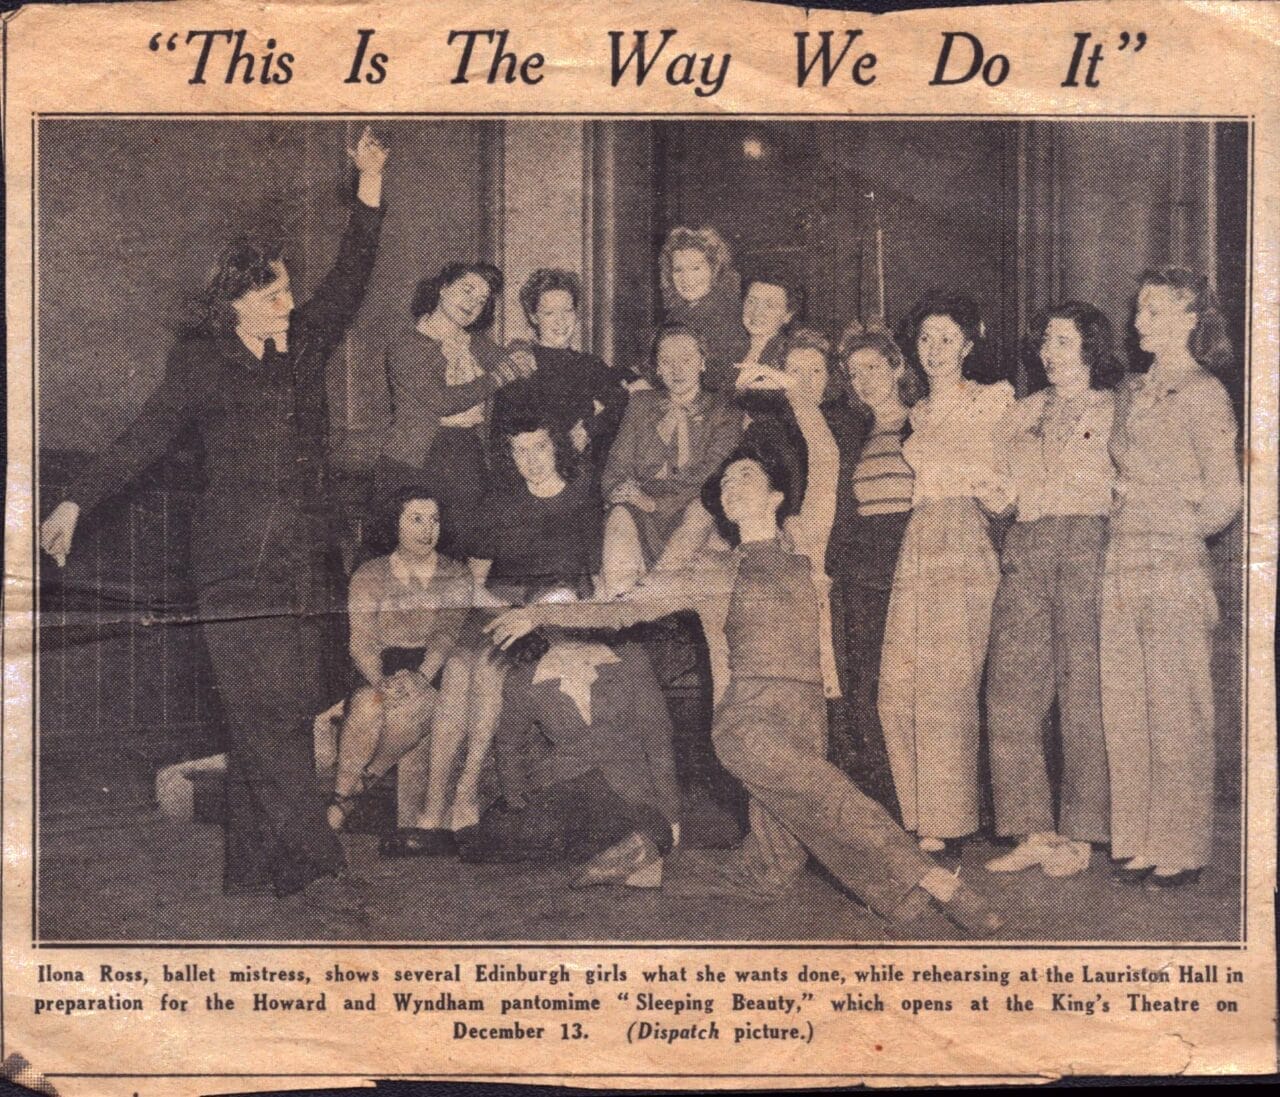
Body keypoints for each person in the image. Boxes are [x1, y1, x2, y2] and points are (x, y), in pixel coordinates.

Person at [485, 365, 1004, 936]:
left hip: (807, 715)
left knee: (770, 873)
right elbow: (621, 609)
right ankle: (934, 881)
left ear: (777, 493)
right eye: (725, 484)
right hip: (748, 719)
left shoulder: (806, 543)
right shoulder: (713, 571)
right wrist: (540, 612)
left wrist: (794, 393)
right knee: (833, 799)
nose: (732, 487)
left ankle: (648, 867)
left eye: (745, 476)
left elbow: (826, 461)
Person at [40, 128, 389, 904]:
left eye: (289, 291)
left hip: (301, 565)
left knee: (283, 715)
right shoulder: (202, 364)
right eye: (272, 295)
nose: (290, 304)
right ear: (234, 301)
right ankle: (322, 868)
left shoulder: (302, 346)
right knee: (266, 718)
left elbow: (353, 275)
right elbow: (142, 437)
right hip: (232, 573)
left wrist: (369, 184)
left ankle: (257, 867)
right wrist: (72, 499)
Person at [377, 415, 604, 859]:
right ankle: (433, 809)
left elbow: (591, 585)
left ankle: (464, 789)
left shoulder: (582, 502)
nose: (531, 460)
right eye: (519, 451)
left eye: (539, 447)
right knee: (460, 668)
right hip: (495, 608)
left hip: (554, 612)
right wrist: (504, 611)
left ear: (556, 445)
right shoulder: (500, 504)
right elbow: (472, 581)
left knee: (483, 665)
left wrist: (533, 614)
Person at [1102, 269, 1241, 888]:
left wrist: (1177, 524)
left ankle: (1180, 847)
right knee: (1125, 702)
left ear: (1191, 318)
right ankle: (1138, 839)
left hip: (1172, 560)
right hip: (1122, 556)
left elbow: (1226, 497)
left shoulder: (1206, 392)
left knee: (1176, 704)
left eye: (1154, 310)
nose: (1139, 322)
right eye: (1139, 311)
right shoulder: (1133, 390)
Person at [983, 303, 1123, 878]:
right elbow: (1001, 482)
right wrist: (999, 497)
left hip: (1088, 544)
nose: (1049, 351)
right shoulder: (1021, 413)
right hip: (1028, 544)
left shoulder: (1114, 408)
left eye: (1062, 341)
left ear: (1089, 347)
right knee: (1009, 691)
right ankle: (1032, 829)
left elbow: (1128, 482)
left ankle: (1082, 835)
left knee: (1084, 691)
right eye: (1045, 342)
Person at [877, 294, 1015, 854]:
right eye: (926, 338)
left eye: (947, 338)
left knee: (947, 683)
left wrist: (985, 498)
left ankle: (951, 821)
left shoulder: (993, 400)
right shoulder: (919, 415)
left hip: (962, 533)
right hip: (919, 536)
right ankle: (918, 812)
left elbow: (1008, 482)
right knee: (898, 682)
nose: (934, 349)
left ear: (968, 346)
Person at [456, 626, 680, 888]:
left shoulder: (630, 658)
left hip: (627, 789)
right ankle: (618, 859)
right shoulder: (524, 680)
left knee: (657, 828)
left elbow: (658, 738)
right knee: (498, 836)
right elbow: (508, 746)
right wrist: (516, 802)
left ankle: (619, 855)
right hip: (565, 791)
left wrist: (672, 814)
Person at [332, 489, 485, 850]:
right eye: (416, 518)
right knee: (369, 705)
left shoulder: (456, 574)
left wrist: (421, 677)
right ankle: (343, 792)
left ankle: (357, 788)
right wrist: (380, 681)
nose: (426, 529)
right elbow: (362, 639)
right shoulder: (370, 574)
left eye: (433, 519)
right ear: (395, 523)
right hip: (380, 664)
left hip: (433, 665)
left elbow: (447, 633)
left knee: (412, 709)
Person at [826, 325, 925, 814]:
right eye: (854, 372)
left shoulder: (925, 421)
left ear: (897, 368)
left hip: (914, 557)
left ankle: (927, 804)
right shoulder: (851, 432)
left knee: (915, 685)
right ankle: (886, 805)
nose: (864, 380)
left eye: (873, 368)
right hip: (863, 566)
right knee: (864, 685)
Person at [374, 261, 534, 553]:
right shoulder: (407, 344)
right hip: (415, 460)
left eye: (482, 299)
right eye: (467, 290)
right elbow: (442, 401)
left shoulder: (474, 343)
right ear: (443, 289)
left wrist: (521, 350)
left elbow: (514, 357)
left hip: (465, 450)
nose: (473, 302)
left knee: (463, 548)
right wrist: (502, 374)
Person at [599, 323, 742, 597]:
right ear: (657, 367)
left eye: (686, 360)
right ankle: (621, 610)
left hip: (695, 509)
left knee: (702, 514)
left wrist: (655, 503)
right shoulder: (640, 404)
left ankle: (649, 594)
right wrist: (622, 492)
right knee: (618, 516)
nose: (677, 370)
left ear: (702, 362)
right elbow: (617, 466)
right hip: (640, 510)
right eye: (667, 361)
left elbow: (710, 476)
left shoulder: (724, 411)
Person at [491, 268, 632, 483]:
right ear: (533, 316)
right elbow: (506, 439)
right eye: (549, 313)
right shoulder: (521, 364)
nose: (561, 321)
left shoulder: (589, 364)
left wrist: (588, 427)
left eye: (567, 311)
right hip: (531, 482)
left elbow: (624, 398)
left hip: (583, 480)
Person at [657, 226, 749, 390]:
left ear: (714, 270)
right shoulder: (676, 314)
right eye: (678, 270)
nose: (686, 279)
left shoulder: (729, 312)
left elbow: (719, 377)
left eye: (696, 268)